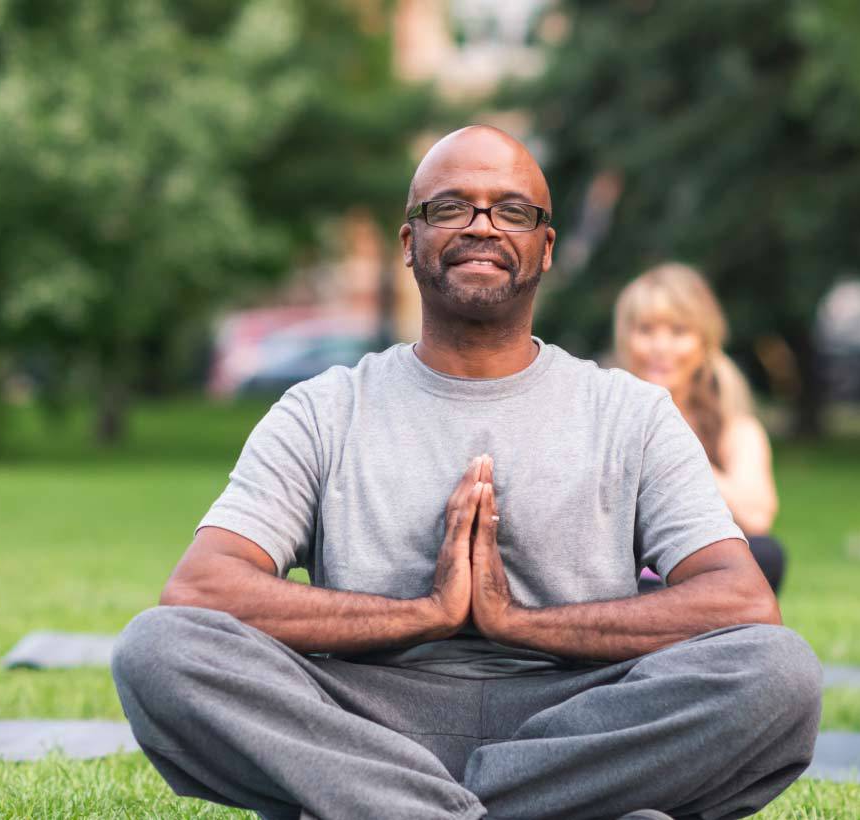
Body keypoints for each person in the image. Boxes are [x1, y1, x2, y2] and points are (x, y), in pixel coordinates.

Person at [112, 126, 821, 820]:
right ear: (408, 242)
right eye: (450, 207)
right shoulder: (324, 408)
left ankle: (383, 810)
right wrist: (425, 614)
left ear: (545, 249)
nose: (482, 226)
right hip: (363, 723)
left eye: (511, 210)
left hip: (581, 720)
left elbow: (741, 602)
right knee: (160, 649)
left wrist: (518, 623)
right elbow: (203, 586)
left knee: (776, 673)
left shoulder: (630, 413)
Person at [614, 263, 786, 592]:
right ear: (626, 338)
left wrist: (670, 439)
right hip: (620, 582)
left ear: (704, 342)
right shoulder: (600, 417)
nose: (660, 347)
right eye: (646, 330)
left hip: (693, 579)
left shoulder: (735, 429)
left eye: (678, 332)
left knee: (765, 555)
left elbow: (757, 517)